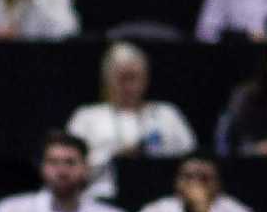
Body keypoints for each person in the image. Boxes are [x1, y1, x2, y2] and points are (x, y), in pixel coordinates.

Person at [66, 40, 196, 194]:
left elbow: (192, 160)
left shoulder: (167, 114)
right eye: (122, 78)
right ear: (107, 80)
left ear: (146, 79)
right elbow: (69, 167)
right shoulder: (86, 117)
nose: (129, 86)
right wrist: (115, 156)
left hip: (162, 197)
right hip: (101, 196)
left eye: (134, 78)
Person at [0, 132, 131, 212]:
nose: (62, 171)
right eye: (53, 162)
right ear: (42, 168)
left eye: (70, 162)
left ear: (86, 168)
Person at [134, 153, 255, 212]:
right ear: (176, 182)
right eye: (188, 177)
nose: (194, 184)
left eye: (204, 178)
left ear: (218, 184)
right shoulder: (156, 211)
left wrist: (201, 209)